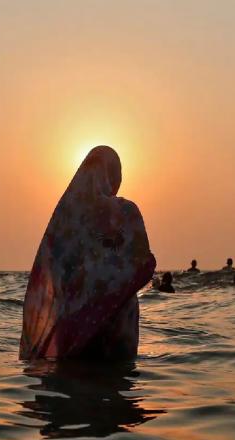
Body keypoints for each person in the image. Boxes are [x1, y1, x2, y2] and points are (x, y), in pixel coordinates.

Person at [20, 146, 155, 361]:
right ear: (115, 175)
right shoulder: (125, 211)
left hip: (70, 326)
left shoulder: (62, 223)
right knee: (115, 384)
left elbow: (49, 279)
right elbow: (142, 262)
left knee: (73, 385)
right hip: (116, 319)